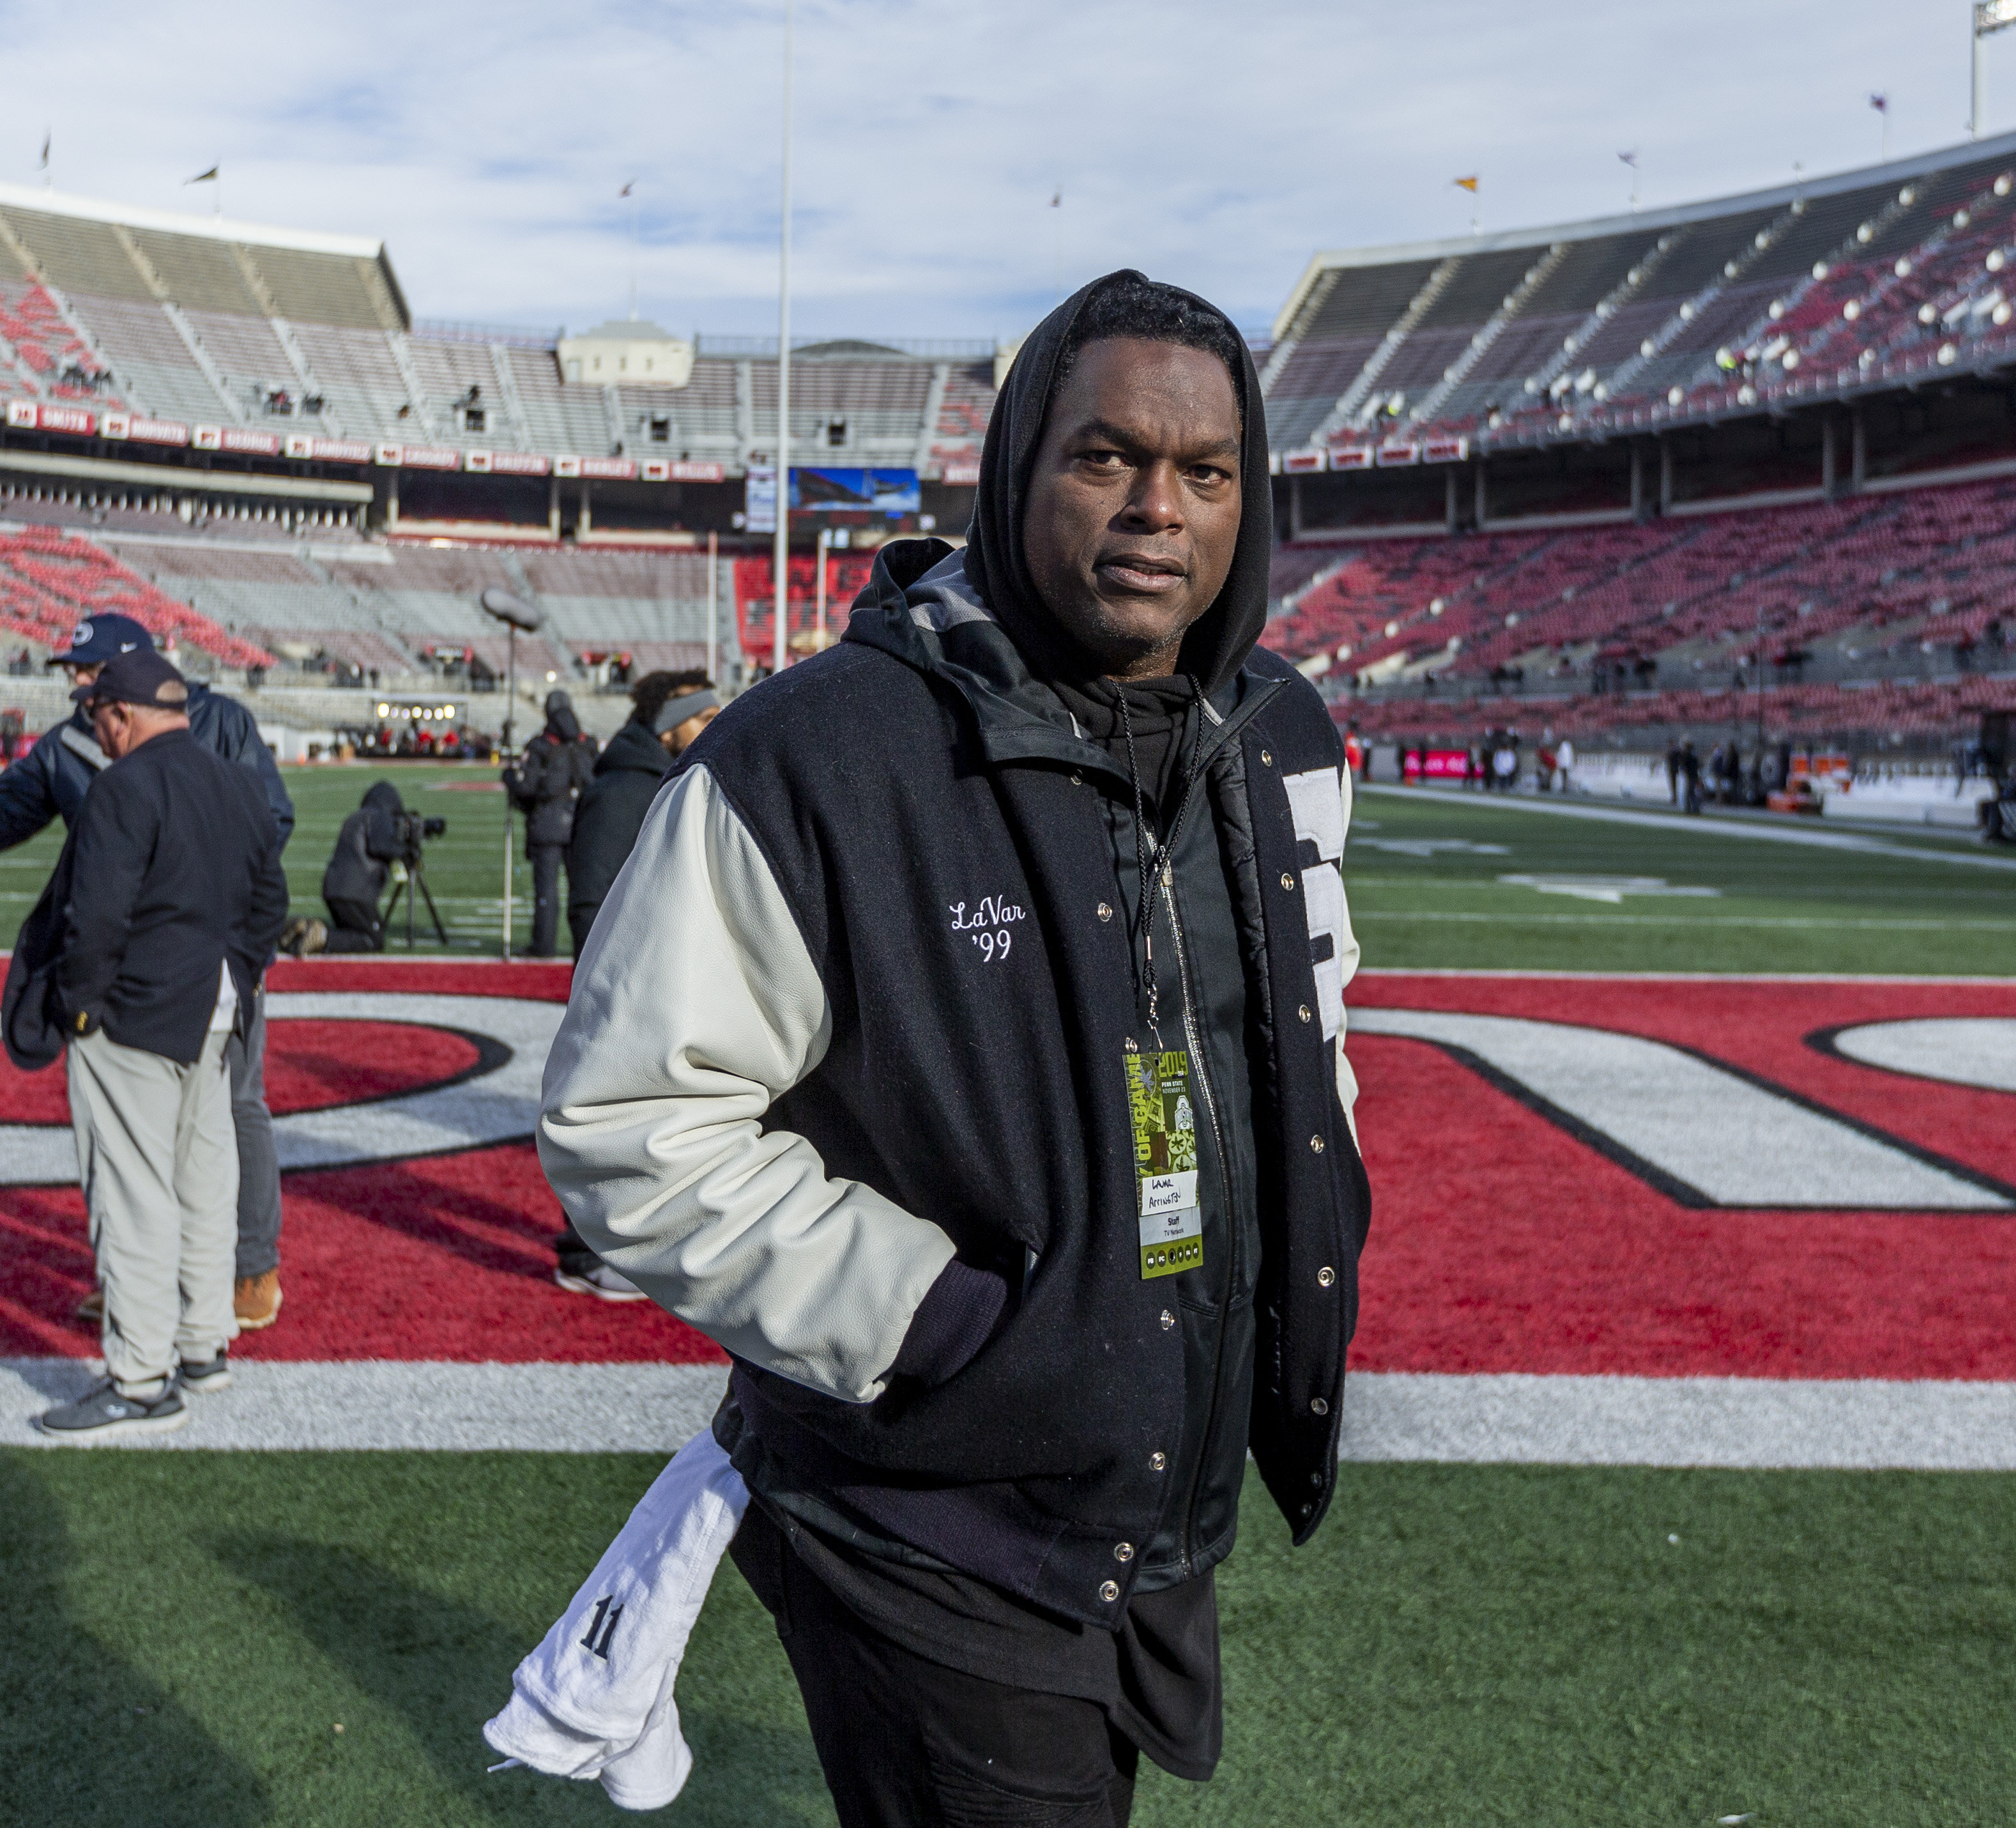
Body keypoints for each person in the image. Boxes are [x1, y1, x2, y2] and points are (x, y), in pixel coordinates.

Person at [537, 271, 1368, 1826]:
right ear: (1014, 470)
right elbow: (629, 1121)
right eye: (1104, 455)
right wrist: (941, 1320)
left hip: (1144, 1488)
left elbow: (1307, 1039)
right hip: (928, 1510)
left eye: (1205, 471)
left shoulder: (1274, 730)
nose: (1156, 509)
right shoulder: (818, 750)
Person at [0, 613, 300, 1334]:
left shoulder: (218, 719)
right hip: (117, 957)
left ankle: (250, 1265)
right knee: (114, 1127)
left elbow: (269, 822)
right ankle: (127, 1272)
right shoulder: (67, 742)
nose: (73, 680)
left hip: (205, 948)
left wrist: (221, 929)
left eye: (85, 667)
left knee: (230, 1108)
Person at [36, 649, 287, 1443]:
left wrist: (80, 1007)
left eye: (99, 719)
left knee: (134, 1195)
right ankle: (201, 1345)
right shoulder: (239, 780)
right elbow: (268, 902)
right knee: (203, 1182)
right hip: (212, 1011)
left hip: (137, 1016)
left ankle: (141, 1378)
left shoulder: (124, 784)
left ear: (118, 714)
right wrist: (235, 977)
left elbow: (96, 916)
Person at [562, 669, 717, 956]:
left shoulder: (678, 782)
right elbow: (592, 901)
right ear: (667, 729)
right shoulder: (620, 791)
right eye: (705, 719)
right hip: (635, 975)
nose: (716, 728)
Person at [502, 689, 597, 958]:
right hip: (580, 823)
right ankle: (587, 947)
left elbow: (528, 788)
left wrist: (509, 779)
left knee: (547, 889)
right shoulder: (585, 743)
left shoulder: (541, 746)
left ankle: (543, 945)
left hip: (546, 826)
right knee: (583, 889)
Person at [293, 780, 413, 954]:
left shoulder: (356, 817)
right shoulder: (379, 817)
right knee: (372, 939)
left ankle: (306, 930)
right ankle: (323, 936)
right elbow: (381, 847)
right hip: (356, 892)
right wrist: (405, 849)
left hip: (334, 888)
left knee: (351, 932)